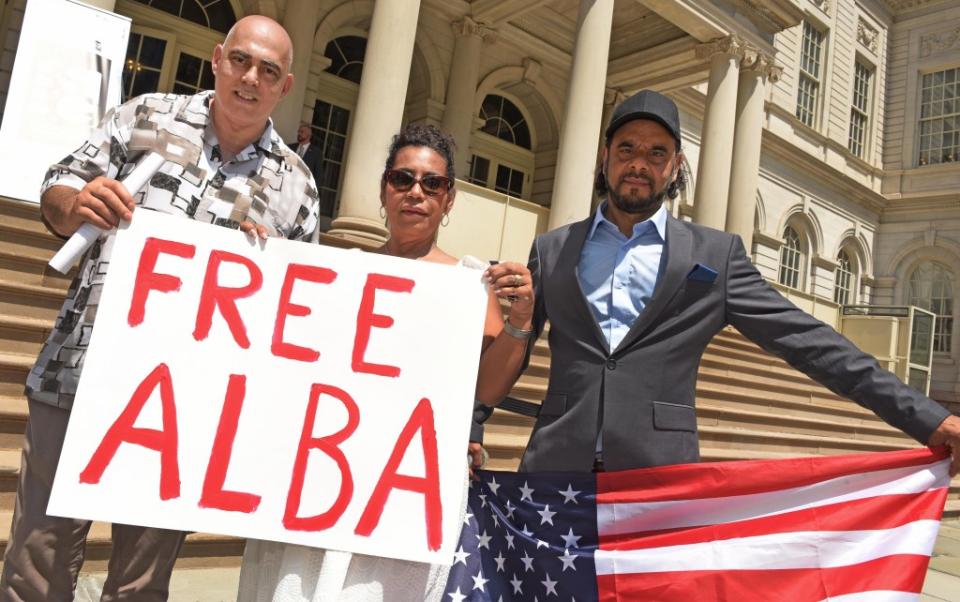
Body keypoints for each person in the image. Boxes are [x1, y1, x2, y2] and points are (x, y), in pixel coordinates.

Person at [0, 16, 319, 601]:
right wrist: (78, 202)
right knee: (34, 566)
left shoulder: (297, 186)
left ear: (285, 85)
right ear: (219, 58)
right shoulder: (145, 115)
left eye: (268, 71)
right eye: (242, 61)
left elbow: (297, 314)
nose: (251, 78)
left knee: (140, 584)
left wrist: (269, 273)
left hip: (186, 409)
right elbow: (58, 187)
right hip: (79, 371)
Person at [482, 89, 960, 475]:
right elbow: (513, 352)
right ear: (605, 156)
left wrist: (929, 419)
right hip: (554, 472)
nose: (639, 163)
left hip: (658, 477)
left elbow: (811, 342)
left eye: (656, 152)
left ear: (675, 166)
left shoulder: (715, 256)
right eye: (626, 148)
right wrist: (472, 426)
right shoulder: (552, 249)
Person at [237, 123, 534, 601]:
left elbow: (486, 390)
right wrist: (260, 264)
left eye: (431, 183)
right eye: (403, 179)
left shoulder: (469, 285)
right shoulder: (342, 271)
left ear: (449, 198)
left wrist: (520, 321)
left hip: (406, 488)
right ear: (384, 189)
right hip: (324, 474)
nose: (416, 192)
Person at [288, 123, 322, 187]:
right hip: (287, 184)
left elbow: (318, 176)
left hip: (303, 187)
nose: (299, 134)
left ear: (309, 135)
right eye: (299, 131)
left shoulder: (316, 153)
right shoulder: (290, 147)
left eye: (302, 132)